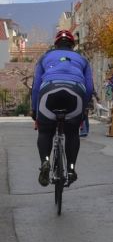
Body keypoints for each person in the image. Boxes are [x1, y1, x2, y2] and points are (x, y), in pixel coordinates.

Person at [31, 29, 95, 186]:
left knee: (45, 131)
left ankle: (45, 162)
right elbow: (89, 87)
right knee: (72, 133)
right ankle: (71, 169)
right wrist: (84, 109)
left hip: (49, 91)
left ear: (56, 45)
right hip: (75, 93)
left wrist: (35, 110)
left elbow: (36, 87)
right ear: (72, 45)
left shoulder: (45, 58)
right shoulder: (82, 59)